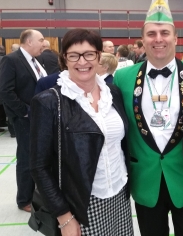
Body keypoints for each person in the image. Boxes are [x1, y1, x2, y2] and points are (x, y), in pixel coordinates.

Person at [113, 0, 183, 236]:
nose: (159, 39)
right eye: (152, 34)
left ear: (176, 38)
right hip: (145, 180)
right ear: (142, 40)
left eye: (165, 33)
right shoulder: (123, 78)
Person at [31, 28, 133, 236]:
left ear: (98, 57)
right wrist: (64, 216)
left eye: (89, 54)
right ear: (64, 59)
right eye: (74, 55)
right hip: (80, 203)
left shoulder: (113, 93)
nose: (82, 62)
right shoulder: (49, 102)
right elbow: (39, 166)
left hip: (119, 194)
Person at [0, 29, 47, 213]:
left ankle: (36, 195)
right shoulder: (12, 60)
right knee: (26, 158)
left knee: (38, 157)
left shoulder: (37, 60)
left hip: (39, 118)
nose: (44, 43)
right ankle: (24, 199)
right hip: (25, 119)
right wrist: (25, 112)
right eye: (41, 40)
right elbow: (5, 91)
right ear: (29, 42)